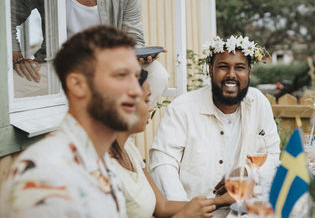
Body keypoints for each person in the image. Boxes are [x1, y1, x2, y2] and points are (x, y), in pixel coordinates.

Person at [0, 25, 142, 217]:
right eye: (121, 75)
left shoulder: (98, 160)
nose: (136, 91)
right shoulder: (47, 178)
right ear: (77, 85)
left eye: (136, 76)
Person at [11, 0, 168, 105]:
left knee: (156, 73)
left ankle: (121, 126)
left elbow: (134, 40)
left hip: (106, 71)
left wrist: (140, 54)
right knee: (7, 87)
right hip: (56, 69)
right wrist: (16, 55)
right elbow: (6, 13)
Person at [149, 36, 281, 215]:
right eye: (223, 66)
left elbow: (273, 157)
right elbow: (163, 164)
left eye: (240, 68)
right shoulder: (183, 108)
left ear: (249, 72)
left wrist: (248, 172)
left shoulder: (258, 103)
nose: (231, 74)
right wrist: (187, 211)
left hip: (245, 211)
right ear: (210, 70)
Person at [110, 69, 216, 218]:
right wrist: (185, 215)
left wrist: (223, 200)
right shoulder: (102, 167)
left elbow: (163, 207)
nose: (151, 107)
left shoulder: (129, 149)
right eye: (146, 100)